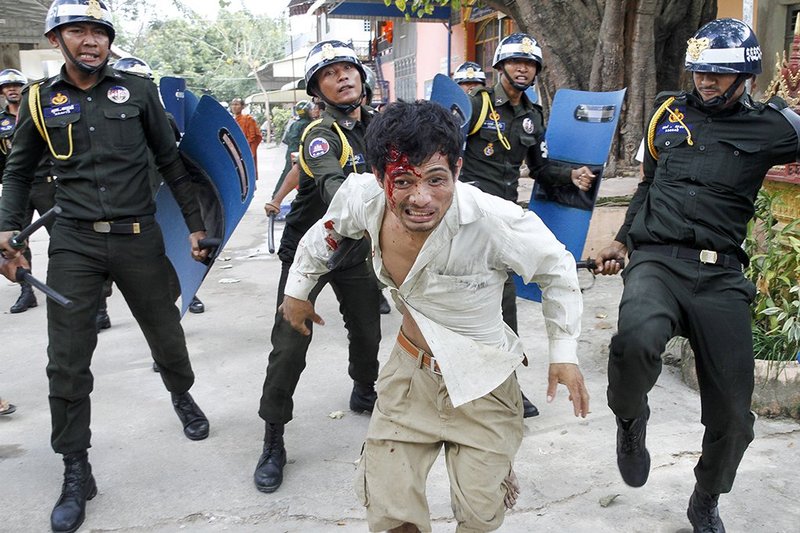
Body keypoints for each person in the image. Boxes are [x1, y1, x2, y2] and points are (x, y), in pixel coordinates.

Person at [281, 100, 589, 532]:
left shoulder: (494, 219)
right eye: (402, 180)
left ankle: (491, 471)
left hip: (485, 383)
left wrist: (564, 353)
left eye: (436, 179)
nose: (420, 198)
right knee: (391, 516)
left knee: (480, 517)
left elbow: (557, 270)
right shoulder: (364, 198)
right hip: (408, 381)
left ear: (458, 169)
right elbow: (327, 233)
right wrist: (298, 291)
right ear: (378, 177)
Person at [0, 2, 210, 531]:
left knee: (167, 335)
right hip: (73, 242)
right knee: (66, 359)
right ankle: (75, 466)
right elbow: (18, 170)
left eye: (99, 32)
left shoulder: (138, 92)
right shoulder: (38, 101)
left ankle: (180, 393)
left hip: (140, 236)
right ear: (56, 40)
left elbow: (171, 162)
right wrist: (6, 233)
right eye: (78, 31)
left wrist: (195, 224)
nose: (91, 40)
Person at [594, 18, 800, 533]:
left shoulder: (777, 126)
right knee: (635, 340)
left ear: (745, 76)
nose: (705, 82)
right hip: (657, 261)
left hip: (721, 277)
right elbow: (647, 183)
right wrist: (622, 238)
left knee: (734, 416)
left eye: (718, 74)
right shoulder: (666, 111)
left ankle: (705, 497)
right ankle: (630, 419)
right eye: (699, 71)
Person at [253, 40, 382, 495]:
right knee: (289, 345)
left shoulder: (380, 128)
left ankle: (364, 389)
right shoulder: (318, 135)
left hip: (356, 252)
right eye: (330, 73)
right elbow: (334, 189)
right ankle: (273, 438)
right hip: (311, 254)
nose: (343, 76)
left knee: (368, 331)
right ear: (317, 89)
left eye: (349, 68)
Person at [460, 32, 596, 419]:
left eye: (530, 64)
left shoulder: (533, 117)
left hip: (502, 223)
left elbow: (538, 168)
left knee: (504, 307)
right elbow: (447, 158)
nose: (523, 69)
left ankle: (508, 389)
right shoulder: (475, 106)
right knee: (464, 302)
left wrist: (571, 176)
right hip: (466, 219)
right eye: (516, 62)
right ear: (500, 66)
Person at [110, 56, 205, 319]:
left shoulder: (164, 118)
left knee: (171, 250)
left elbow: (178, 158)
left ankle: (187, 291)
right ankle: (99, 306)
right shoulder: (105, 124)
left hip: (162, 195)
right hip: (125, 202)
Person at [0, 68, 58, 314]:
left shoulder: (39, 113)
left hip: (47, 184)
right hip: (18, 189)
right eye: (7, 86)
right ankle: (26, 291)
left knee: (64, 237)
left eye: (16, 85)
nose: (12, 89)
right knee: (14, 240)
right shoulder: (0, 122)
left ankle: (73, 287)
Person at [272, 100, 316, 197]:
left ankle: (275, 196)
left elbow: (286, 140)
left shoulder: (294, 123)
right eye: (311, 109)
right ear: (307, 111)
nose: (313, 111)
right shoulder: (308, 125)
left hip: (290, 154)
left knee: (286, 175)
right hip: (300, 154)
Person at [230, 97, 262, 179]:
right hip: (234, 150)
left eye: (237, 104)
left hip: (246, 149)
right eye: (233, 104)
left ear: (242, 106)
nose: (234, 107)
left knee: (247, 173)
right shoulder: (231, 120)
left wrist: (248, 150)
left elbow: (253, 137)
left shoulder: (248, 119)